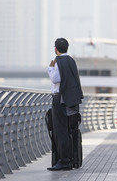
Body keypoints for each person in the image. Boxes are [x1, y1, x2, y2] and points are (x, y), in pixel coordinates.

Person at [47, 38, 83, 171]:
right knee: (69, 130)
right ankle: (71, 160)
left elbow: (56, 79)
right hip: (72, 100)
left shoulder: (57, 62)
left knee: (60, 131)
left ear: (56, 49)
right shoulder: (71, 60)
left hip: (60, 100)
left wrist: (50, 68)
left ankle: (63, 161)